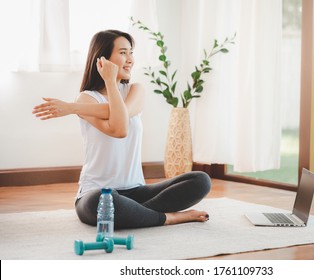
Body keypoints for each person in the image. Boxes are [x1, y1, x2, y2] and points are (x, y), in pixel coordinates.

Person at [32, 30, 211, 228]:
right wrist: (106, 83)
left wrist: (71, 108)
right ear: (102, 60)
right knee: (103, 202)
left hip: (136, 191)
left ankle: (137, 214)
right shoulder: (86, 98)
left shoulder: (135, 90)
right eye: (123, 52)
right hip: (96, 192)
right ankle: (169, 217)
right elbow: (119, 129)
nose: (130, 59)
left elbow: (120, 117)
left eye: (131, 53)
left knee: (200, 180)